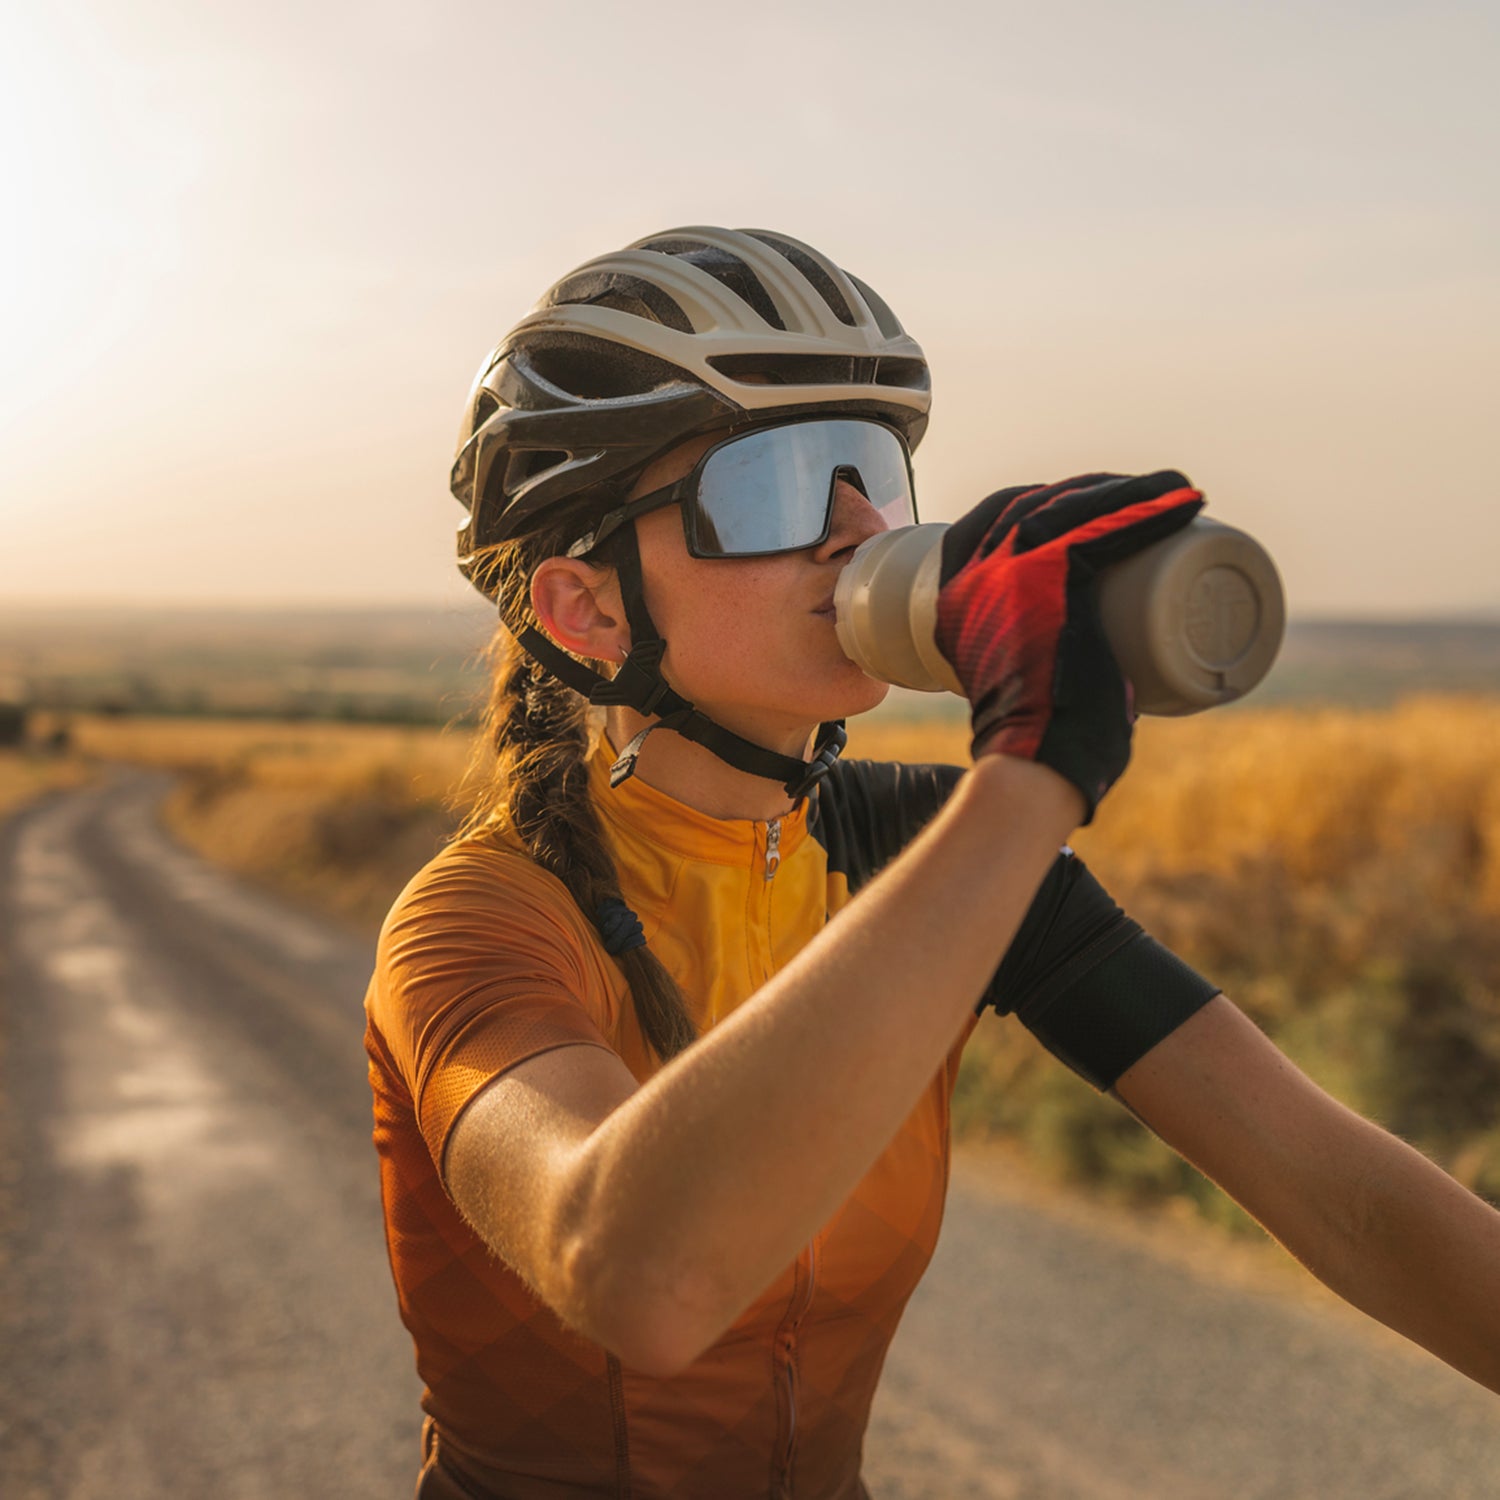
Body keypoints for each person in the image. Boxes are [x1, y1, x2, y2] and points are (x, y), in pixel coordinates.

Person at [365, 226, 1500, 1499]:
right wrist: (1030, 779)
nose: (856, 526)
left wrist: (1006, 806)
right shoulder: (475, 918)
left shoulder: (919, 848)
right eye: (777, 482)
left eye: (873, 471)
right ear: (588, 606)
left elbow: (1346, 1200)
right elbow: (636, 1273)